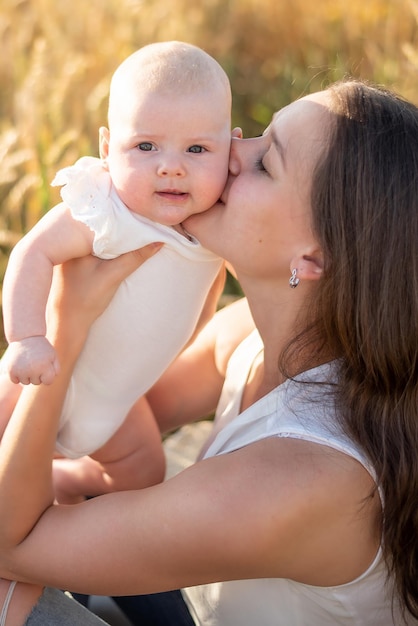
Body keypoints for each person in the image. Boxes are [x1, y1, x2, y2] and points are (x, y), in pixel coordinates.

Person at [1, 78, 418, 626]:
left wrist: (68, 322)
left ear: (312, 257)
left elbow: (11, 540)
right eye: (259, 134)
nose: (232, 152)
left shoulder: (300, 478)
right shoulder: (254, 331)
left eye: (267, 162)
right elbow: (117, 408)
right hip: (193, 601)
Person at [0, 41, 233, 502]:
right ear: (108, 148)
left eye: (197, 148)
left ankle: (62, 485)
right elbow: (33, 251)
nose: (171, 167)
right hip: (45, 377)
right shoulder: (104, 208)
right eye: (145, 146)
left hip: (116, 407)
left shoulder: (218, 220)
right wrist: (26, 339)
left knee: (144, 470)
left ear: (231, 149)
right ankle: (15, 542)